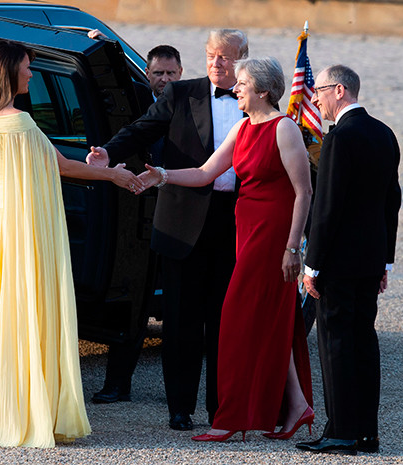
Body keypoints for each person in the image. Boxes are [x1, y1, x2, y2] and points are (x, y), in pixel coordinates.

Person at [0, 40, 143, 448]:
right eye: (27, 68)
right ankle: (17, 410)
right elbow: (61, 166)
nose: (32, 74)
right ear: (10, 72)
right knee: (22, 310)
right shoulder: (19, 123)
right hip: (19, 227)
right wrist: (114, 175)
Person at [138, 56, 314, 442]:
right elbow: (205, 173)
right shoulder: (242, 127)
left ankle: (230, 418)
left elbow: (304, 192)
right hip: (245, 230)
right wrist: (162, 176)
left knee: (235, 320)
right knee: (264, 319)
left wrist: (292, 248)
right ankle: (297, 405)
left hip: (272, 235)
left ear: (263, 91)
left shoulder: (284, 128)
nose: (235, 89)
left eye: (243, 84)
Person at [87, 29, 248, 430]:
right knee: (180, 320)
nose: (216, 62)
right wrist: (109, 151)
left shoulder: (254, 98)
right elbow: (141, 129)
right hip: (181, 220)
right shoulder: (181, 93)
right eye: (211, 54)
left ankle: (222, 409)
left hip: (235, 220)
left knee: (225, 321)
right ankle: (180, 407)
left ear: (242, 59)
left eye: (226, 56)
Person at [296, 65, 401, 456]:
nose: (316, 99)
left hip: (338, 263)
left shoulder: (340, 136)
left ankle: (341, 432)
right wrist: (385, 260)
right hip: (370, 260)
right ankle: (366, 433)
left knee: (336, 343)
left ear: (339, 90)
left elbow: (327, 206)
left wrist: (312, 264)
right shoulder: (384, 133)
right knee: (363, 342)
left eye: (320, 90)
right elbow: (392, 201)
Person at [92, 44, 183, 404]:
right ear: (146, 74)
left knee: (178, 307)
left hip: (177, 216)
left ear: (181, 73)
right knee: (132, 303)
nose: (165, 80)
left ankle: (177, 394)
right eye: (158, 73)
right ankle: (118, 383)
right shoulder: (131, 101)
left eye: (171, 73)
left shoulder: (191, 104)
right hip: (133, 218)